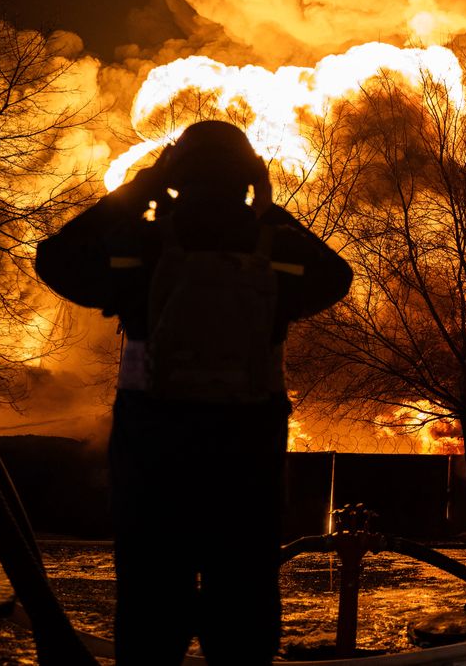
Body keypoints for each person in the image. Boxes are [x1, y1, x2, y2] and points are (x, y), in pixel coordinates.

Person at [35, 120, 352, 665]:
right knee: (243, 614)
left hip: (152, 463)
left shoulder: (143, 246)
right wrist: (267, 208)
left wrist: (138, 191)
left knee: (150, 616)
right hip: (246, 467)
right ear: (247, 174)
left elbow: (55, 259)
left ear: (176, 174)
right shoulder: (278, 251)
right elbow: (337, 277)